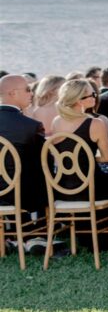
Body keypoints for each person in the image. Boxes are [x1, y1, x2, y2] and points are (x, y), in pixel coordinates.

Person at [49, 79, 108, 199]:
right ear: (78, 99)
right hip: (91, 187)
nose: (95, 97)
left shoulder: (56, 121)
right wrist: (94, 158)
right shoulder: (95, 123)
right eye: (92, 94)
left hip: (63, 186)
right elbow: (106, 159)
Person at [0, 74, 48, 215]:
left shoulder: (29, 125)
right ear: (13, 93)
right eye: (28, 89)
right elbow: (43, 163)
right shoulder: (31, 126)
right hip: (21, 194)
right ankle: (45, 227)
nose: (32, 93)